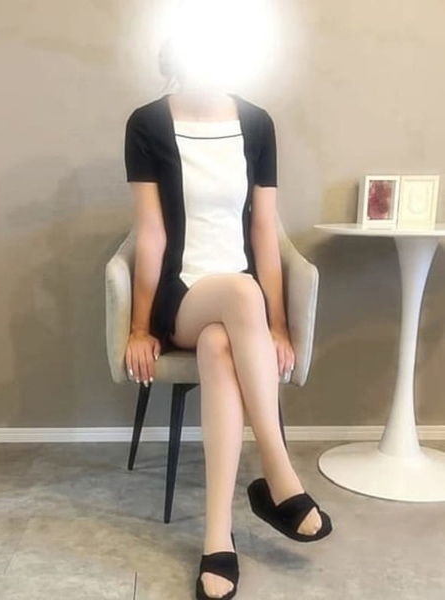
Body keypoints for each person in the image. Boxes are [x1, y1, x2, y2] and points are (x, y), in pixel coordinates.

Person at [123, 35, 332, 600]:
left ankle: (217, 538)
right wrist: (140, 326)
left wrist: (279, 325)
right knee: (241, 294)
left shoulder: (257, 124)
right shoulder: (147, 124)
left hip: (238, 307)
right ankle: (278, 473)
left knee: (221, 343)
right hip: (181, 294)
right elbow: (151, 232)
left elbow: (264, 229)